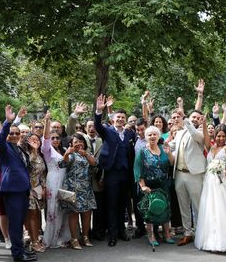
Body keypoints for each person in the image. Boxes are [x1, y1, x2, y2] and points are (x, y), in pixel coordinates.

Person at [94, 95, 136, 247]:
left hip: (126, 174)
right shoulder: (107, 131)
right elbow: (97, 126)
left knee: (123, 204)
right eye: (118, 117)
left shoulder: (130, 134)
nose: (120, 119)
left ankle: (121, 231)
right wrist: (99, 111)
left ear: (125, 120)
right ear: (113, 119)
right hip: (112, 174)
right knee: (111, 205)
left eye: (123, 117)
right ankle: (112, 235)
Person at [0, 105, 36, 262]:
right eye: (11, 133)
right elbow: (0, 138)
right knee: (15, 223)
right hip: (12, 190)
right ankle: (18, 254)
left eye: (16, 133)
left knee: (19, 222)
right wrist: (8, 121)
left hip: (23, 190)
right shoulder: (3, 147)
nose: (13, 135)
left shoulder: (19, 148)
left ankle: (20, 249)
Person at [169, 110, 208, 246]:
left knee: (197, 205)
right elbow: (171, 145)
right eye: (193, 117)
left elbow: (196, 136)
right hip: (179, 173)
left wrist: (186, 121)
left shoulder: (200, 132)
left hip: (194, 174)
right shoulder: (179, 133)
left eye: (198, 117)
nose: (195, 119)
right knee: (183, 205)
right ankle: (187, 233)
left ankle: (200, 232)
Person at [134, 126, 174, 248]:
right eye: (149, 135)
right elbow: (137, 169)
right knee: (150, 210)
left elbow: (171, 163)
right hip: (149, 185)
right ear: (146, 137)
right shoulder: (142, 151)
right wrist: (142, 186)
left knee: (165, 208)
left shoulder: (163, 148)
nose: (152, 137)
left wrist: (169, 154)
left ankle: (167, 234)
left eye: (154, 134)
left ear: (158, 136)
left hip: (163, 183)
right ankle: (151, 235)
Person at [59, 133, 97, 249]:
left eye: (81, 141)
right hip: (72, 188)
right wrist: (66, 153)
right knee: (73, 214)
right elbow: (62, 164)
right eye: (76, 142)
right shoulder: (70, 154)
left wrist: (86, 155)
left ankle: (85, 237)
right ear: (71, 144)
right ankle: (74, 239)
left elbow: (94, 164)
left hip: (85, 188)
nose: (79, 144)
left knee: (87, 213)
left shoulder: (87, 154)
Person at [41, 112, 71, 249]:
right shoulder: (47, 150)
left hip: (64, 180)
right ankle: (51, 239)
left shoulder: (63, 149)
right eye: (52, 138)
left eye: (57, 138)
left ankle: (63, 238)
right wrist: (47, 121)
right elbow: (45, 138)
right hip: (53, 181)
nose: (54, 140)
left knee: (63, 209)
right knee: (53, 210)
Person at [22, 133, 47, 252]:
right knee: (31, 214)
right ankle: (34, 242)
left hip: (38, 189)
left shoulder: (40, 155)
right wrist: (34, 151)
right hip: (28, 189)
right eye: (32, 140)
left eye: (37, 140)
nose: (35, 141)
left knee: (37, 214)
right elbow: (27, 167)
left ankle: (36, 238)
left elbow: (42, 173)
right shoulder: (25, 154)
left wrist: (43, 187)